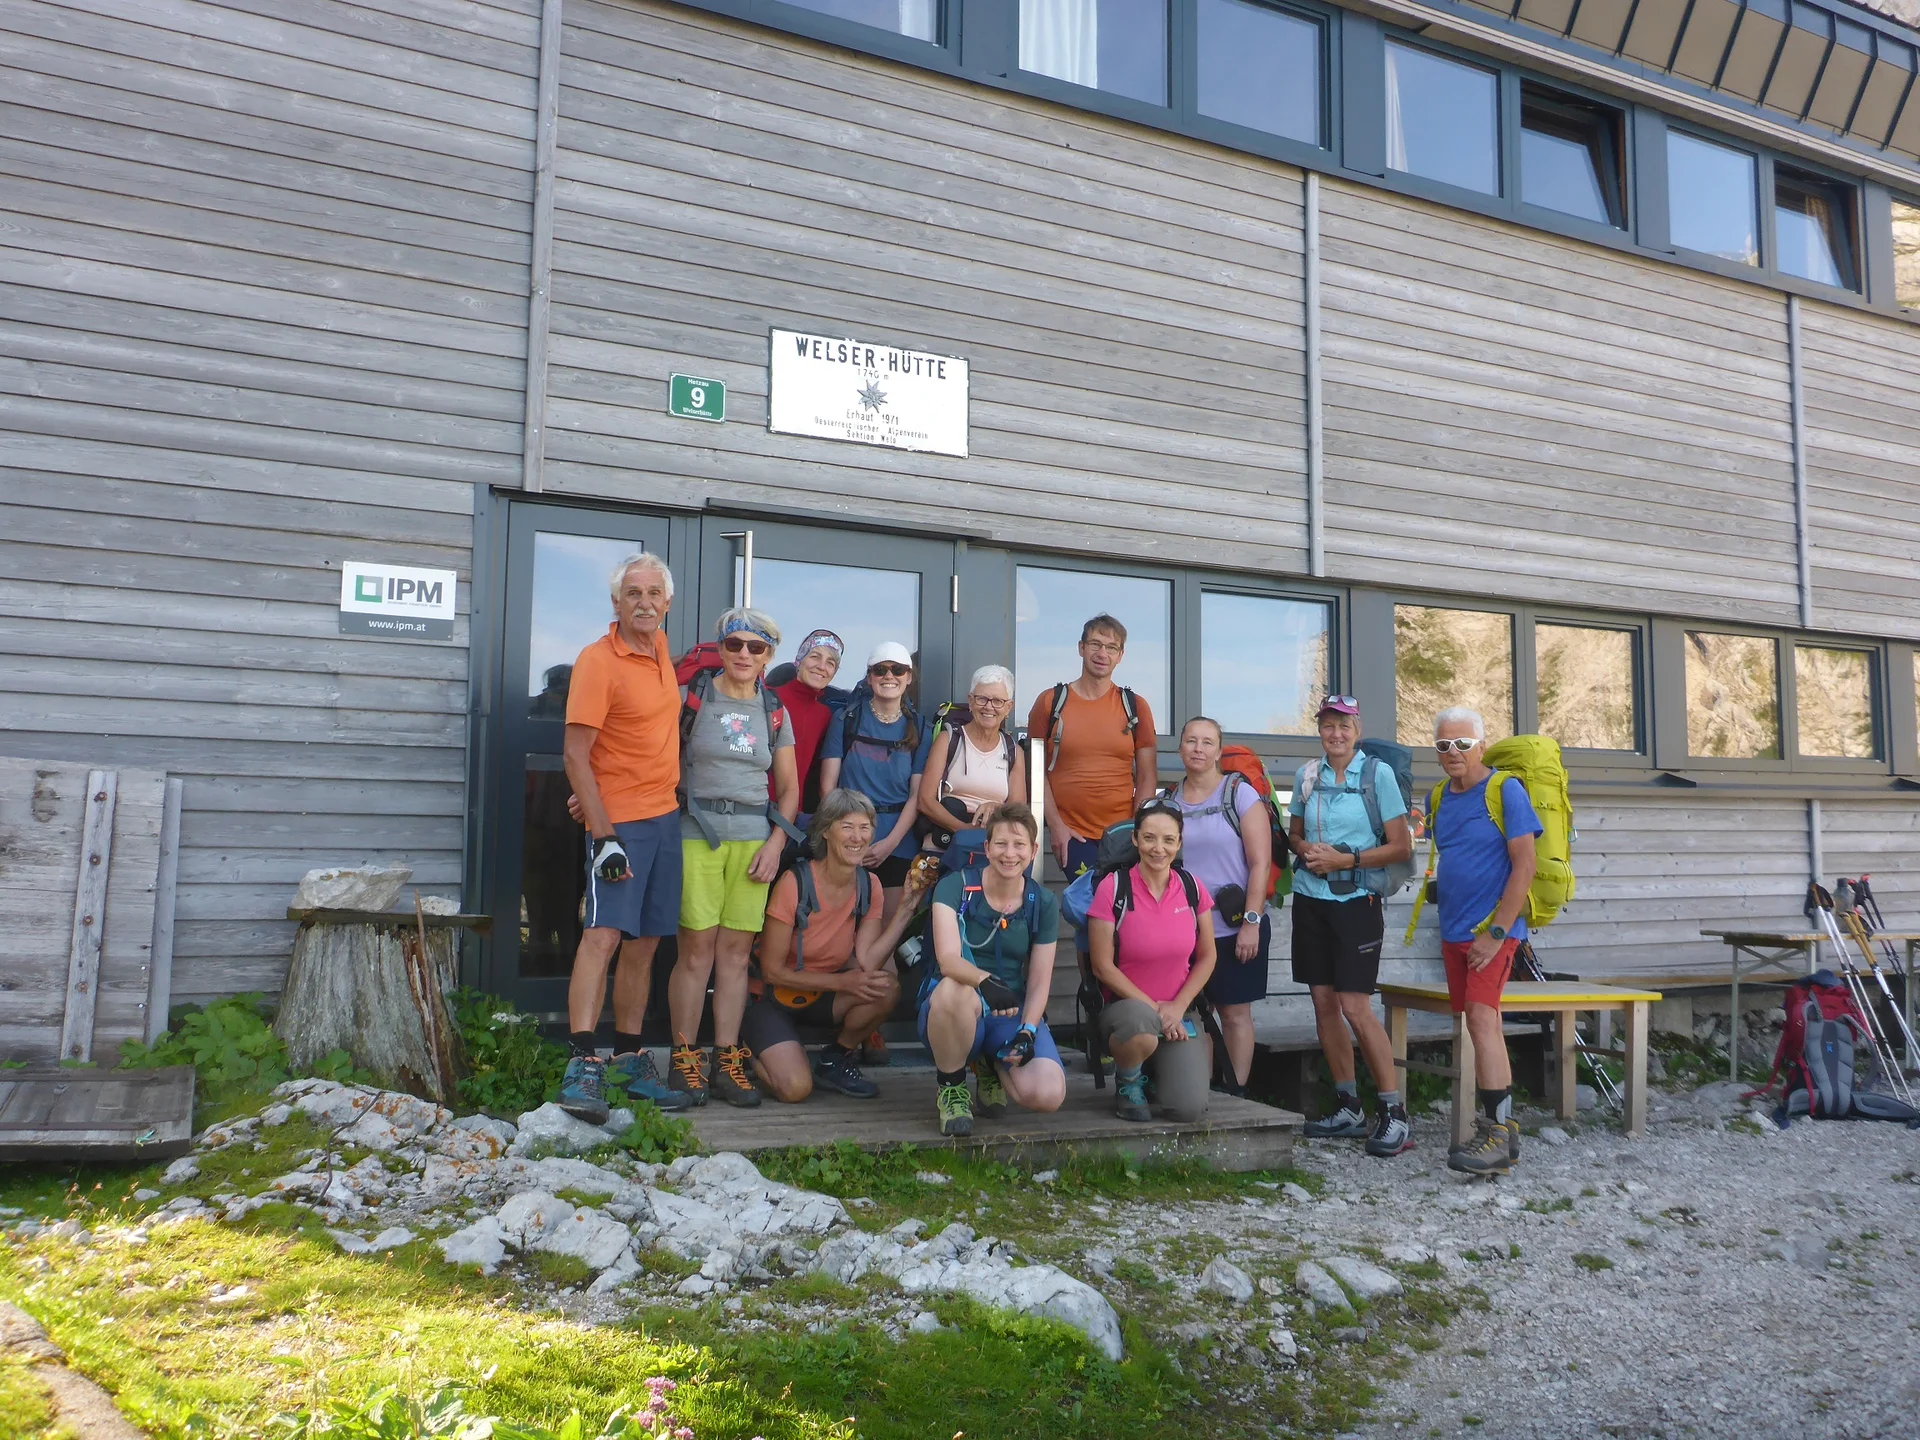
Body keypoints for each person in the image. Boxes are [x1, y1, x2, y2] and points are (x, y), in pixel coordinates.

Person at [557, 553, 694, 1123]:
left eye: (654, 592)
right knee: (603, 937)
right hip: (621, 826)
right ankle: (583, 1064)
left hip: (664, 820)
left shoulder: (661, 651)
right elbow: (574, 754)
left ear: (667, 602)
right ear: (616, 602)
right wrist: (602, 829)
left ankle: (629, 1060)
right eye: (632, 593)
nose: (644, 601)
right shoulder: (597, 660)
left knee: (646, 944)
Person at [667, 606, 801, 1109]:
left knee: (736, 957)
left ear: (769, 655)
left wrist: (776, 844)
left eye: (756, 647)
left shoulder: (774, 710)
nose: (744, 654)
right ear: (721, 647)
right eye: (735, 644)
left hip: (753, 840)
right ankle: (685, 1055)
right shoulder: (692, 698)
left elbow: (788, 789)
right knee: (696, 952)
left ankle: (727, 1058)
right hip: (695, 833)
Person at [742, 789, 933, 1102]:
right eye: (847, 827)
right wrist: (842, 981)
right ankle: (749, 1052)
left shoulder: (868, 885)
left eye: (864, 827)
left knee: (884, 986)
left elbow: (869, 961)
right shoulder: (795, 883)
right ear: (826, 833)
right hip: (772, 1000)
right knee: (795, 1089)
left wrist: (906, 909)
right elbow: (772, 971)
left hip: (823, 997)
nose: (857, 837)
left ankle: (835, 1059)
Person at [1287, 695, 1415, 1158]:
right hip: (1311, 899)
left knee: (1355, 1006)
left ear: (1356, 730)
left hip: (1356, 901)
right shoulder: (1306, 775)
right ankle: (1348, 1107)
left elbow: (1401, 846)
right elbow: (1294, 832)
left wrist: (1346, 859)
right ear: (1319, 729)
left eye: (1343, 725)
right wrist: (1303, 849)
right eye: (1327, 725)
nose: (1335, 733)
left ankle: (1394, 1112)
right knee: (1323, 1002)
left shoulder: (1377, 775)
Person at [1430, 707, 1541, 1177]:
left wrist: (1496, 933)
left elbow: (1525, 865)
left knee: (1482, 1020)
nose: (1452, 753)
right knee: (1477, 1023)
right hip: (1454, 931)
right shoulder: (1440, 795)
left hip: (1491, 934)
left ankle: (1498, 1133)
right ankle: (1499, 1137)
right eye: (1442, 746)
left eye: (1461, 743)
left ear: (1480, 744)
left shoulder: (1504, 790)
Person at [920, 803, 1066, 1136]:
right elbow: (948, 959)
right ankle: (952, 1086)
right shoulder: (955, 886)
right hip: (955, 1007)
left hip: (1008, 1012)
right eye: (1000, 844)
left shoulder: (1041, 901)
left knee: (1047, 1093)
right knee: (955, 990)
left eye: (1019, 845)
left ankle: (988, 1063)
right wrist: (985, 982)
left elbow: (1040, 981)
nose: (1009, 853)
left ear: (1033, 851)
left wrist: (1028, 1030)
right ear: (987, 848)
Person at [1086, 798, 1216, 1123]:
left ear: (1179, 842)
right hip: (1126, 1011)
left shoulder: (1192, 888)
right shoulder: (1112, 889)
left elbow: (1208, 955)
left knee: (1188, 1109)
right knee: (1142, 1026)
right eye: (1149, 838)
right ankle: (1128, 1081)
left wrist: (1176, 1006)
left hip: (1177, 1011)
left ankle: (1157, 1075)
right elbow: (1102, 966)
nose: (1158, 848)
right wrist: (1157, 1011)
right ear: (1135, 839)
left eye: (1168, 840)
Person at [1162, 716, 1272, 1093]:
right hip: (1186, 931)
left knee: (1235, 1012)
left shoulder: (1238, 794)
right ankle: (1202, 1092)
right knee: (1198, 1012)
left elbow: (1260, 863)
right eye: (1191, 741)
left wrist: (1252, 923)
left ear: (1219, 751)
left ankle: (1237, 1093)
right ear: (1179, 749)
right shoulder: (1168, 801)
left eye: (1207, 742)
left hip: (1236, 925)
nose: (1198, 748)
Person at [1027, 615, 1158, 877]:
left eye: (1111, 647)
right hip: (1074, 834)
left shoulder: (1135, 706)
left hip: (1124, 833)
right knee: (1090, 909)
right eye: (1095, 644)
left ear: (1120, 655)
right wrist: (1056, 825)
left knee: (1125, 912)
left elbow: (1147, 776)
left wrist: (1139, 828)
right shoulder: (1050, 702)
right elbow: (1034, 769)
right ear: (1081, 648)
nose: (1102, 653)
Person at [818, 641, 932, 922]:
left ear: (908, 677)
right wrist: (843, 836)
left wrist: (890, 843)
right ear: (869, 677)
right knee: (843, 932)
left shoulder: (920, 727)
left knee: (885, 937)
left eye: (897, 670)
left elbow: (916, 795)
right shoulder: (846, 719)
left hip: (897, 841)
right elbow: (827, 786)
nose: (889, 676)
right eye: (880, 670)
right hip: (847, 836)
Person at [916, 664, 1025, 845]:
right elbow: (925, 800)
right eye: (982, 699)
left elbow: (1019, 810)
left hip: (992, 844)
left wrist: (997, 808)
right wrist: (964, 831)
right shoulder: (948, 739)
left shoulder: (1014, 751)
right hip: (945, 841)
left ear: (1009, 708)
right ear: (971, 702)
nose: (989, 707)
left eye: (998, 701)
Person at [771, 629, 848, 814]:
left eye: (830, 663)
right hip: (754, 815)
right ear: (799, 660)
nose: (822, 666)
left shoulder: (825, 716)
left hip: (790, 818)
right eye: (815, 656)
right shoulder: (769, 699)